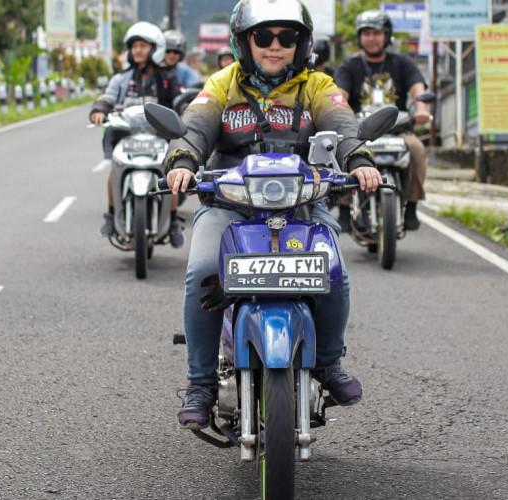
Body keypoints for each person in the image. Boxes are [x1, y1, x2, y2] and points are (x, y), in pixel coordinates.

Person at [164, 0, 383, 430]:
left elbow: (342, 123)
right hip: (229, 204)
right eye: (263, 36)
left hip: (303, 205)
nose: (275, 45)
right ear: (244, 42)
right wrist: (183, 162)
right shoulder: (223, 83)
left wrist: (358, 159)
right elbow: (195, 127)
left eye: (287, 37)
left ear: (303, 43)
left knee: (334, 271)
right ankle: (200, 383)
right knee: (203, 269)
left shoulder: (316, 85)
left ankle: (328, 363)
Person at [89, 21, 185, 247]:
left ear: (155, 48)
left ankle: (172, 220)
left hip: (160, 136)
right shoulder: (121, 79)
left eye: (143, 45)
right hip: (127, 135)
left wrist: (186, 111)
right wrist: (99, 110)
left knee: (170, 175)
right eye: (134, 46)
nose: (138, 50)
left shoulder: (167, 79)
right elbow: (107, 97)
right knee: (115, 169)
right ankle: (112, 214)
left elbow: (179, 101)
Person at [334, 9, 430, 231]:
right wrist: (338, 112)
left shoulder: (403, 62)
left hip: (399, 130)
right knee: (345, 152)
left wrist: (421, 109)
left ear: (386, 36)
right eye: (366, 33)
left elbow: (417, 87)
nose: (371, 38)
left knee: (417, 150)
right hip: (361, 132)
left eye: (376, 33)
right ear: (359, 37)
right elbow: (340, 95)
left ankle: (412, 206)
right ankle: (344, 208)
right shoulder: (349, 66)